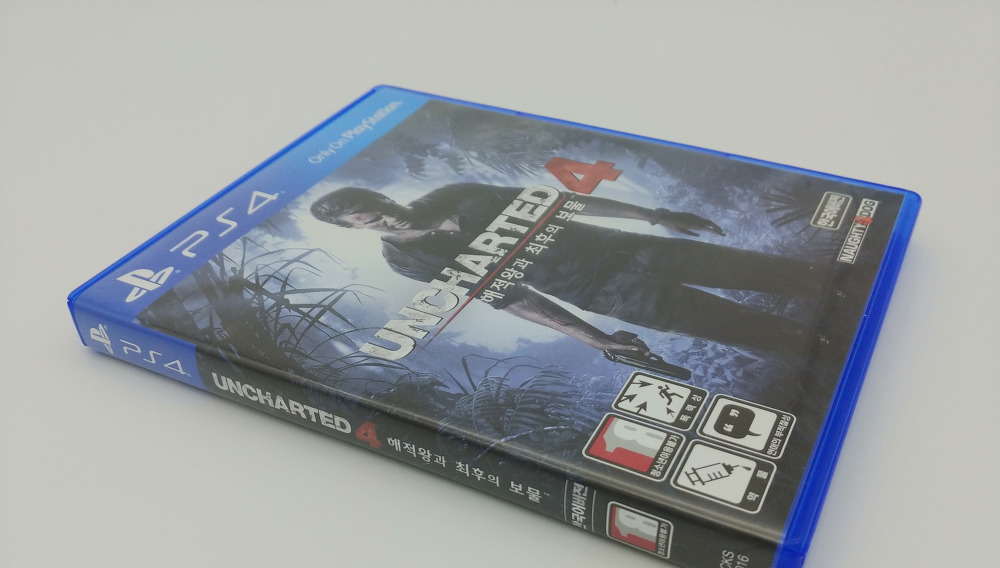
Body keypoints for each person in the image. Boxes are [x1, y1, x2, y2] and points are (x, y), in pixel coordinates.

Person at [310, 183, 826, 359]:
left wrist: (655, 214)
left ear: (383, 195)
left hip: (631, 248)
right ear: (356, 229)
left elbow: (560, 202)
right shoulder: (407, 260)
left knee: (786, 274)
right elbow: (510, 298)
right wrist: (596, 339)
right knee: (755, 331)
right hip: (607, 293)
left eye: (382, 206)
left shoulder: (457, 194)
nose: (389, 218)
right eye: (371, 221)